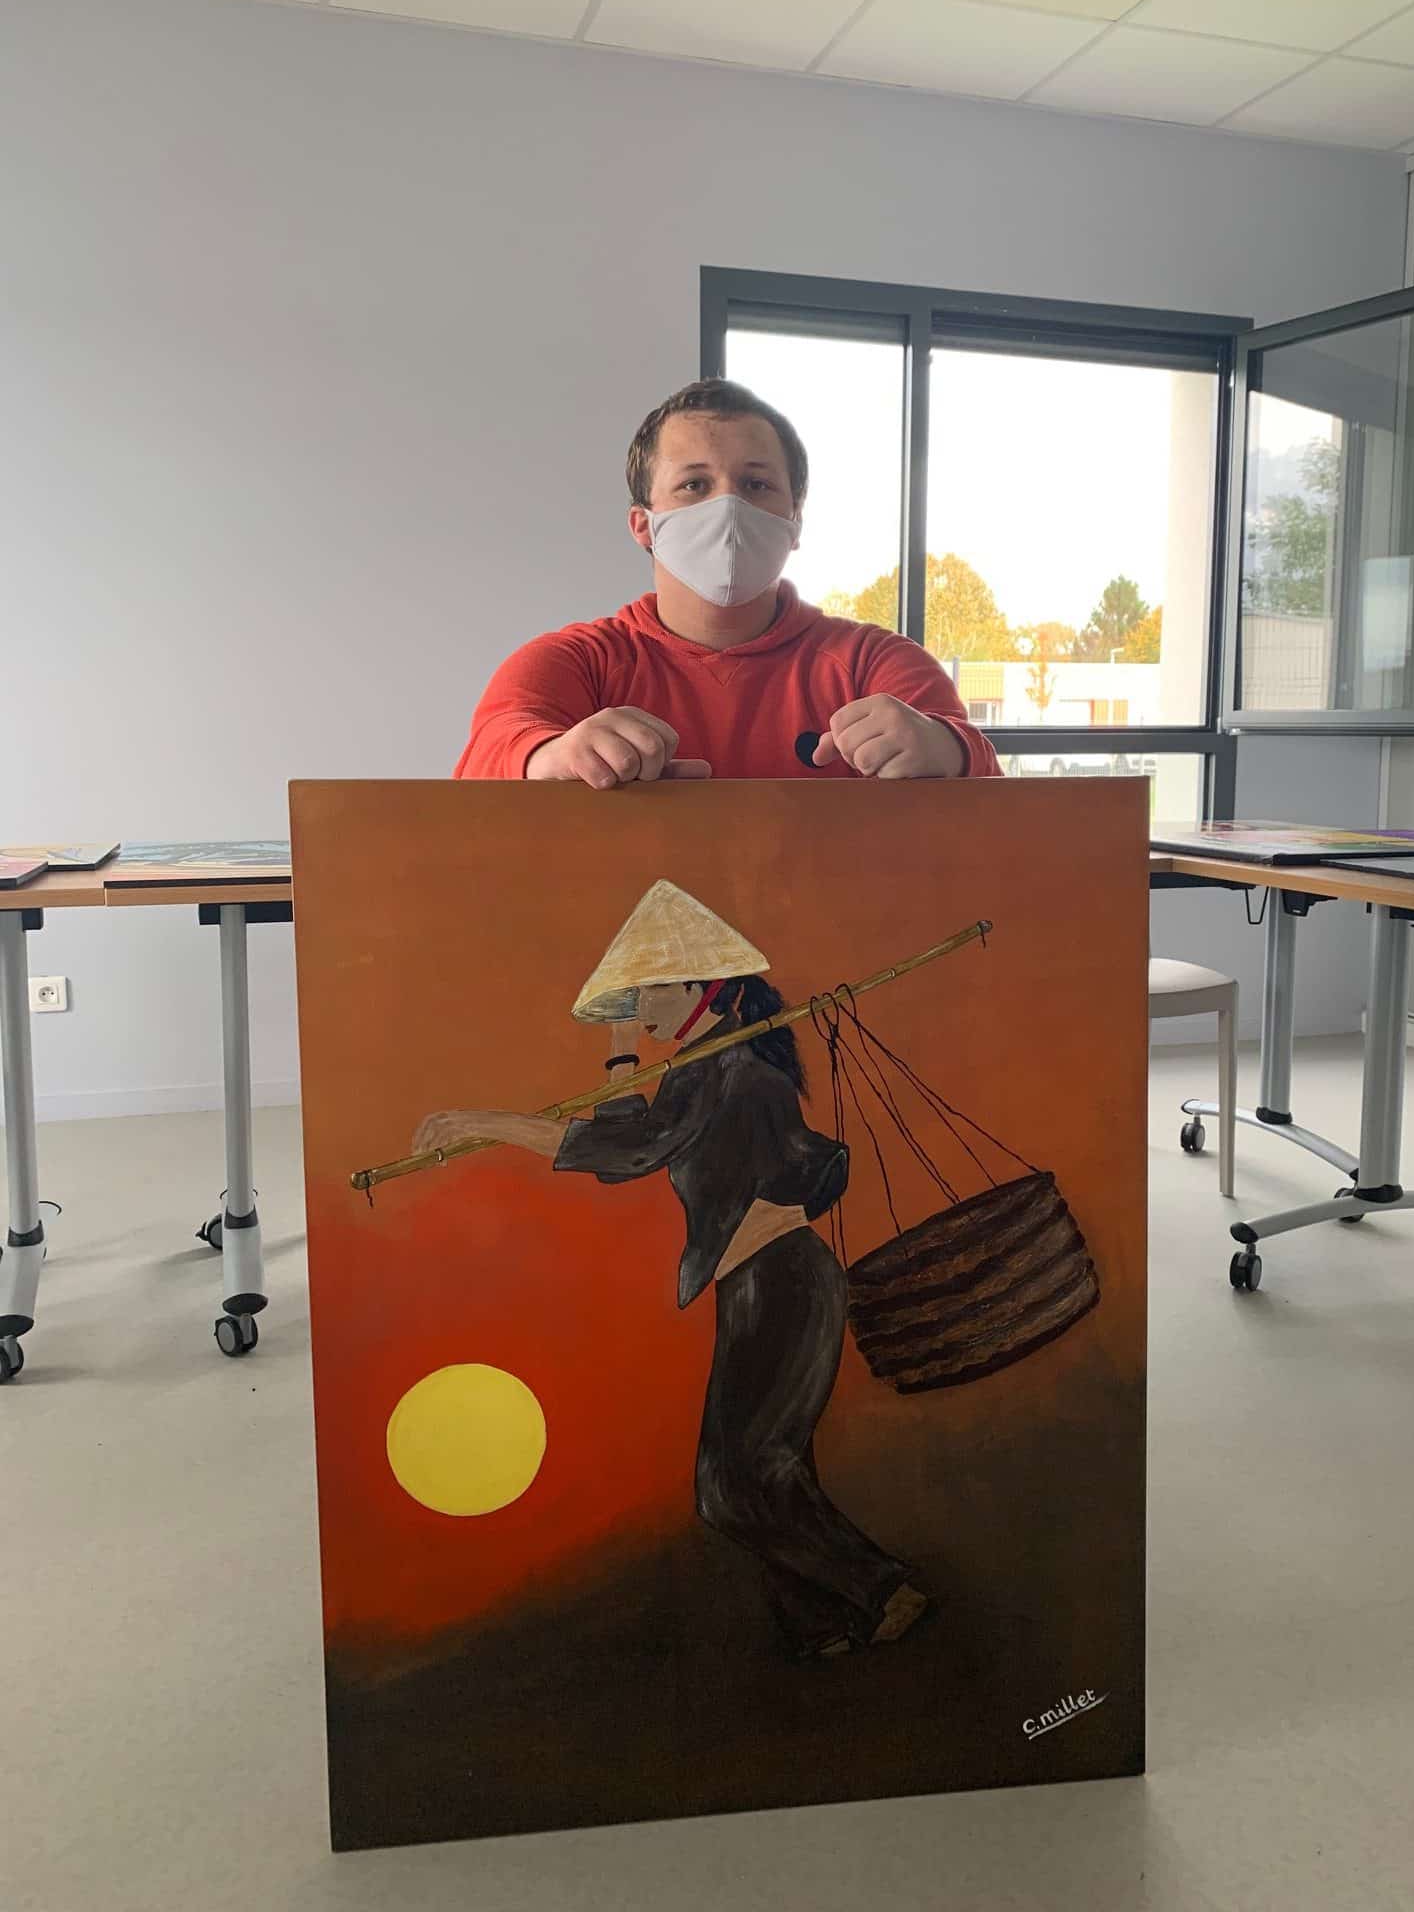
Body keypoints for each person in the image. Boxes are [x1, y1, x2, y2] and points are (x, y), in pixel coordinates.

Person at [412, 880, 929, 1662]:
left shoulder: (724, 1066)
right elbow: (634, 1135)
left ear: (705, 990)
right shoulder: (712, 1065)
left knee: (731, 1485)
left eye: (654, 990)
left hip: (782, 1284)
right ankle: (819, 1625)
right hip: (757, 1288)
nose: (643, 1006)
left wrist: (482, 1122)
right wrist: (621, 1047)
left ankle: (883, 1590)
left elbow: (629, 1150)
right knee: (773, 1471)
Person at [454, 377, 1002, 785]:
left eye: (756, 484)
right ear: (643, 525)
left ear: (795, 522)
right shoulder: (576, 662)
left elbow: (995, 803)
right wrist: (551, 757)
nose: (729, 507)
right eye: (694, 485)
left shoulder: (874, 665)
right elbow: (486, 758)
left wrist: (949, 750)